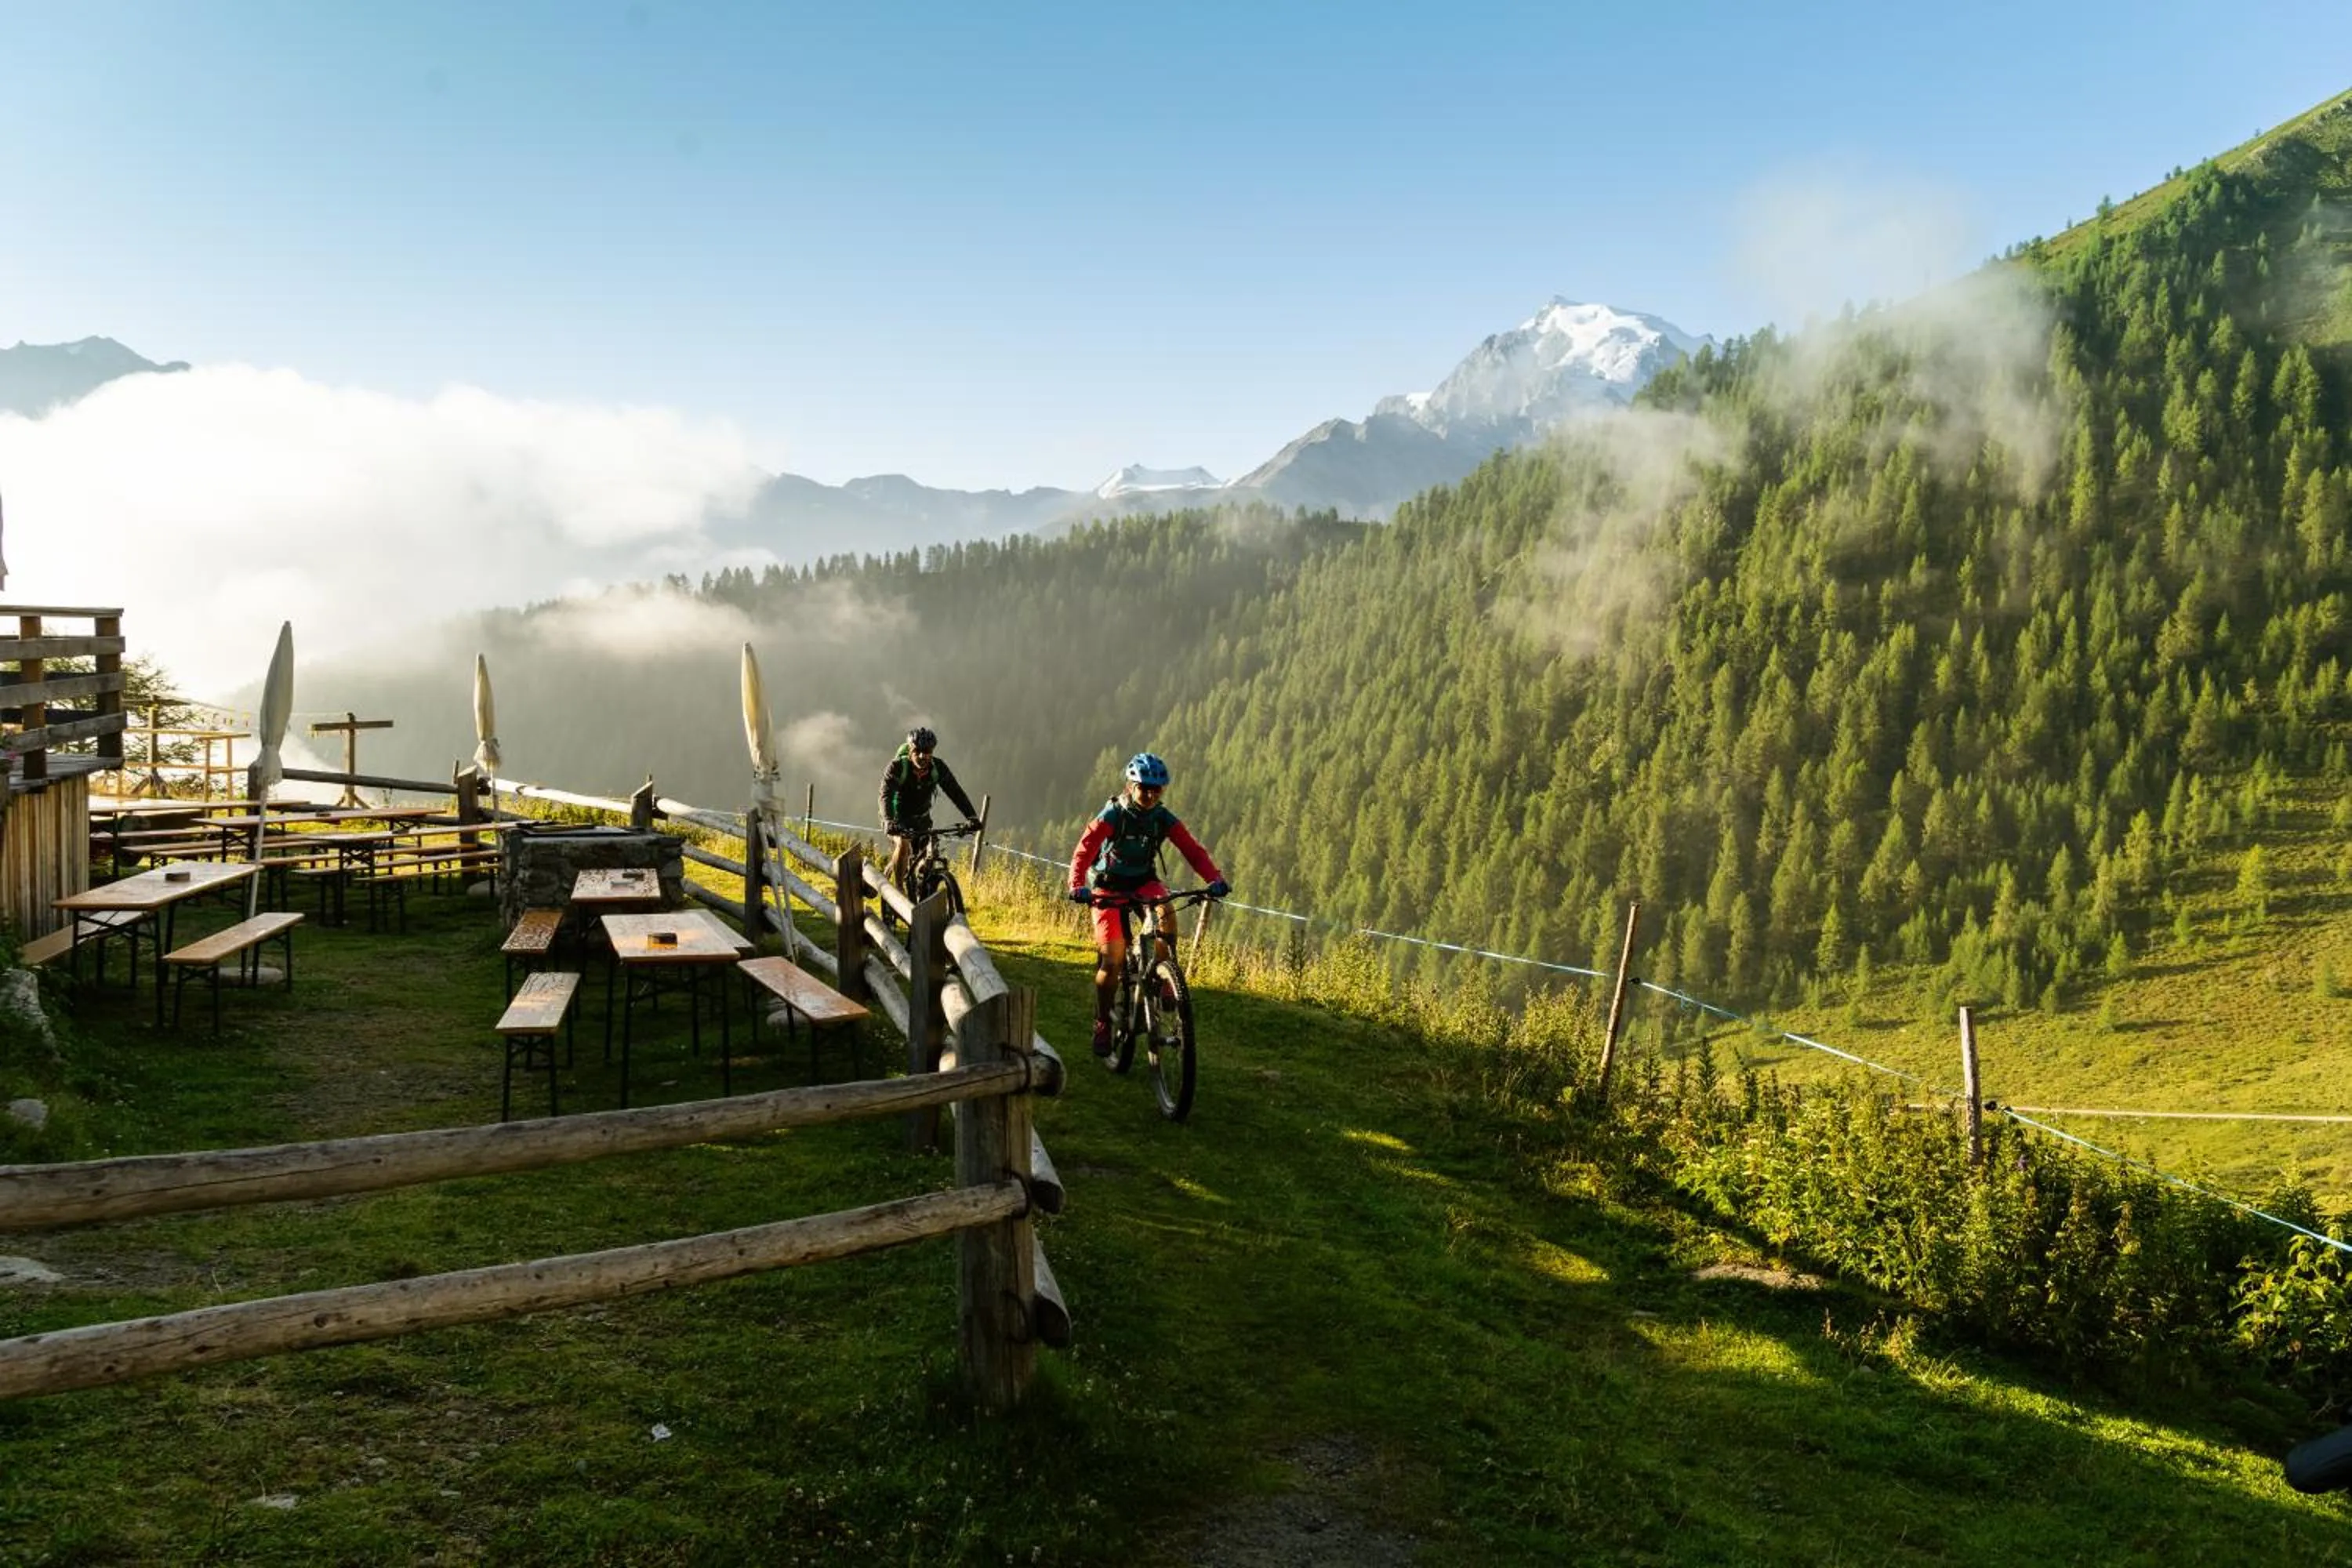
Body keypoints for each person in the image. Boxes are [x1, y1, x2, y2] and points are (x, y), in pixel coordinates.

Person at [1066, 752, 1229, 1056]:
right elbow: (1084, 851)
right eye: (1145, 788)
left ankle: (1164, 976)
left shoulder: (1162, 819)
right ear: (1131, 786)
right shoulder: (1112, 815)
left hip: (1143, 881)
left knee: (1166, 911)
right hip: (1107, 887)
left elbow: (1192, 851)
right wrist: (1077, 885)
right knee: (1112, 960)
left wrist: (1214, 879)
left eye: (1158, 789)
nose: (1151, 795)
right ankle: (1102, 1021)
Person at [878, 725, 980, 893]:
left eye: (927, 752)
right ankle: (898, 891)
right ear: (910, 751)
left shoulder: (938, 768)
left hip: (922, 818)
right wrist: (889, 821)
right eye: (917, 751)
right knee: (903, 844)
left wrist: (972, 817)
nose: (922, 756)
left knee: (927, 856)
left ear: (932, 752)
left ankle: (921, 889)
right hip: (897, 817)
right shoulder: (897, 767)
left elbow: (955, 792)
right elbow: (885, 795)